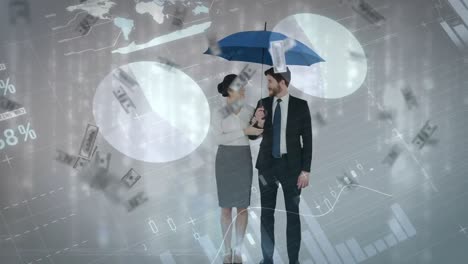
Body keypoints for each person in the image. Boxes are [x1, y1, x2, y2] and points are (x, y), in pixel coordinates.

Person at [249, 67, 312, 264]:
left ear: (282, 82)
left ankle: (294, 261)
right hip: (266, 167)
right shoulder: (263, 104)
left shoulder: (301, 106)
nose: (267, 85)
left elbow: (308, 140)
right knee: (267, 215)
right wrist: (258, 121)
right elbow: (251, 135)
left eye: (270, 81)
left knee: (293, 216)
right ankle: (267, 259)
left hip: (292, 168)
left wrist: (306, 170)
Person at [211, 74, 264, 264]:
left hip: (243, 159)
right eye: (240, 87)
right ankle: (227, 251)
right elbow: (218, 139)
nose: (244, 90)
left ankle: (239, 250)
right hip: (225, 159)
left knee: (242, 208)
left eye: (244, 88)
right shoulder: (219, 112)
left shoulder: (250, 110)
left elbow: (255, 136)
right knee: (226, 208)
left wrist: (259, 121)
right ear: (230, 90)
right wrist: (243, 131)